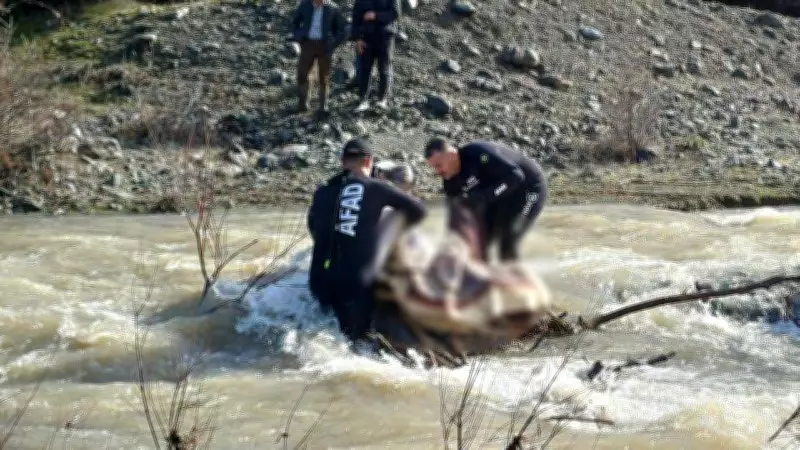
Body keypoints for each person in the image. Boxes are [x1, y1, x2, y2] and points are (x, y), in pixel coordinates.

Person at [306, 138, 428, 343]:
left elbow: (313, 227)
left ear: (342, 162)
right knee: (360, 342)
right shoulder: (376, 188)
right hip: (357, 284)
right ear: (369, 161)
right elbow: (419, 212)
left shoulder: (322, 192)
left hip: (319, 281)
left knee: (332, 336)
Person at [423, 137, 548, 262]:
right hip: (499, 195)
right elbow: (455, 218)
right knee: (478, 242)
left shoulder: (479, 154)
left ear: (451, 155)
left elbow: (516, 176)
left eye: (439, 165)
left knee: (508, 239)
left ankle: (515, 278)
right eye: (434, 167)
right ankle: (484, 278)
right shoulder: (450, 183)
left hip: (529, 187)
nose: (438, 172)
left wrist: (484, 196)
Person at [291, 0, 348, 115]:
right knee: (302, 74)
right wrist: (299, 36)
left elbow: (343, 28)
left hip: (325, 45)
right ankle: (302, 104)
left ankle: (323, 107)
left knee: (324, 76)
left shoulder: (332, 8)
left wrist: (333, 42)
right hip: (308, 44)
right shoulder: (304, 5)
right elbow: (294, 23)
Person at [350, 0, 401, 113]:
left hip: (385, 37)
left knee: (384, 69)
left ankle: (382, 99)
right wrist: (357, 38)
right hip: (366, 38)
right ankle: (363, 100)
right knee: (365, 69)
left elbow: (395, 13)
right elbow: (355, 18)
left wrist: (376, 16)